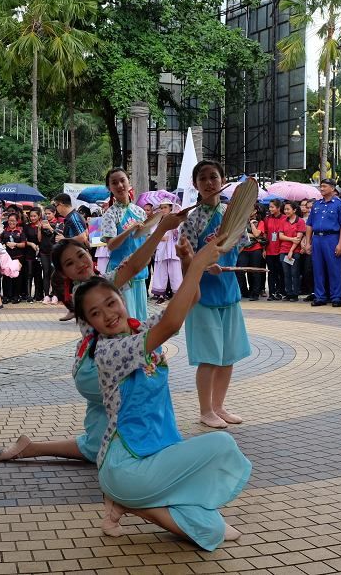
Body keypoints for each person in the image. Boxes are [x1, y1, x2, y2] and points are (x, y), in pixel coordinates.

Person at [79, 235, 250, 550]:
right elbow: (171, 324)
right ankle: (126, 499)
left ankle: (124, 503)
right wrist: (198, 265)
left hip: (157, 453)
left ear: (122, 298)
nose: (107, 314)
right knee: (222, 447)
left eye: (110, 303)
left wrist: (187, 263)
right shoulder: (109, 351)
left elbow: (190, 300)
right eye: (95, 313)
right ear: (89, 323)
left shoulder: (138, 329)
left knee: (210, 525)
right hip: (126, 467)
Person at [0, 210, 189, 464]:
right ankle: (148, 450)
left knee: (98, 441)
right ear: (64, 273)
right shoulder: (85, 291)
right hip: (97, 366)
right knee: (137, 404)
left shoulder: (96, 282)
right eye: (70, 263)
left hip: (93, 364)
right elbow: (134, 266)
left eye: (80, 255)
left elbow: (133, 268)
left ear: (88, 251)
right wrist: (161, 229)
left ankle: (31, 448)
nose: (80, 263)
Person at [179, 159, 252, 429]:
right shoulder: (191, 220)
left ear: (223, 180)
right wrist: (203, 265)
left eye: (214, 177)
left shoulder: (233, 214)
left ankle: (219, 406)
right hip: (203, 296)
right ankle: (205, 410)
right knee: (209, 358)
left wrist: (223, 263)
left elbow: (238, 247)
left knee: (227, 356)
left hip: (229, 291)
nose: (209, 183)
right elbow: (186, 261)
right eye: (203, 178)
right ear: (195, 184)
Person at [101, 169, 149, 321]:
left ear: (129, 182)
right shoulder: (110, 214)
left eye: (122, 180)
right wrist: (129, 229)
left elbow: (145, 241)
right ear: (109, 188)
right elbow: (111, 245)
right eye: (114, 183)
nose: (120, 185)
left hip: (139, 272)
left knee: (140, 318)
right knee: (126, 319)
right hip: (120, 273)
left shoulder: (140, 212)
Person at [308, 179, 341, 307]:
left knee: (334, 269)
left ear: (332, 188)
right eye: (321, 186)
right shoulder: (316, 204)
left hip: (332, 238)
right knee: (318, 269)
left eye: (324, 186)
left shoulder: (339, 204)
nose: (321, 188)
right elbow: (309, 224)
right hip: (317, 239)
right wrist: (308, 242)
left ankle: (336, 297)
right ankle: (320, 296)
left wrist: (340, 243)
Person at [52, 193, 88, 320]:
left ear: (61, 204)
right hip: (73, 256)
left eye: (56, 205)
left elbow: (83, 237)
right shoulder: (72, 217)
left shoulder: (74, 217)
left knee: (58, 280)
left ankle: (76, 309)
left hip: (76, 257)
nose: (56, 209)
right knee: (70, 283)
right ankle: (77, 309)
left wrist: (64, 239)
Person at [149, 200, 182, 302]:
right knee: (160, 272)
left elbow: (180, 232)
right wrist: (160, 237)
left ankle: (177, 294)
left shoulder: (176, 219)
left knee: (175, 272)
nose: (163, 210)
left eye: (165, 207)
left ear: (170, 208)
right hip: (162, 248)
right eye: (161, 208)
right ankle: (161, 295)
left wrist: (175, 229)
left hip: (173, 249)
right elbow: (153, 234)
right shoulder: (158, 220)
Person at [236, 207, 266, 301]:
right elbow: (239, 234)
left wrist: (252, 223)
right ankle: (244, 292)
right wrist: (251, 235)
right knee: (240, 271)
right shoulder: (241, 221)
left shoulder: (260, 222)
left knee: (255, 272)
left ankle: (255, 293)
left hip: (256, 249)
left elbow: (257, 234)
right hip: (243, 249)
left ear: (255, 211)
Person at [278, 201, 306, 301]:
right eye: (285, 209)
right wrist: (291, 239)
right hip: (283, 250)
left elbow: (298, 239)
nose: (286, 211)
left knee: (295, 273)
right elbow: (280, 236)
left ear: (294, 210)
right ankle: (288, 293)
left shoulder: (300, 221)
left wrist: (291, 251)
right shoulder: (283, 221)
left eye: (288, 209)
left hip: (295, 251)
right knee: (286, 273)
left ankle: (295, 294)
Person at [263, 200, 285, 300]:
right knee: (271, 272)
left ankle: (280, 292)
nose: (270, 209)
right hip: (270, 249)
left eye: (272, 207)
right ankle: (271, 293)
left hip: (281, 249)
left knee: (281, 272)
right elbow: (265, 234)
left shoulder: (285, 218)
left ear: (279, 208)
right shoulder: (267, 219)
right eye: (269, 207)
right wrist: (264, 249)